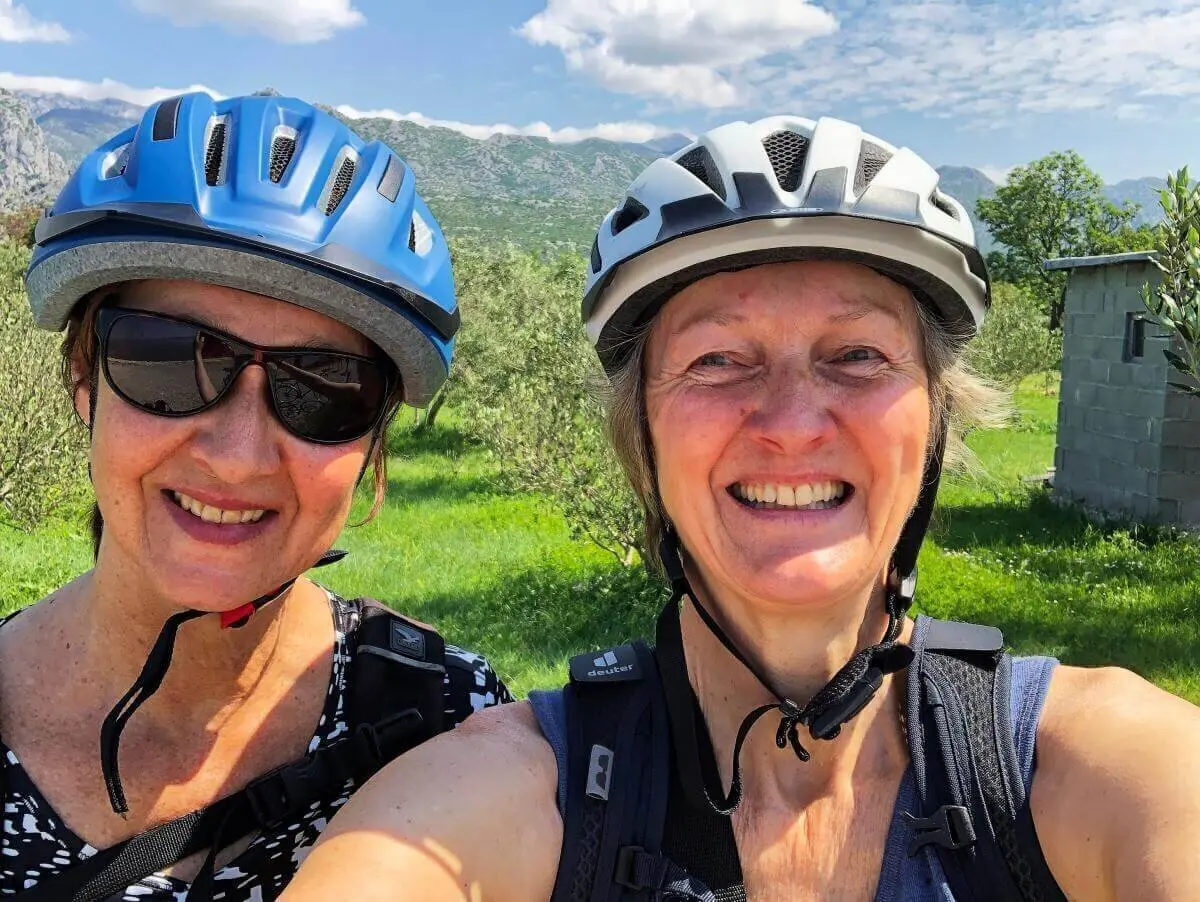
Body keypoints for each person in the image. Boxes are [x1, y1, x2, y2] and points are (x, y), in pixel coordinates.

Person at [280, 114, 1200, 902]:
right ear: (639, 439)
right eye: (719, 360)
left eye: (860, 356)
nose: (793, 425)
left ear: (933, 422)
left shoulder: (1090, 765)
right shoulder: (505, 793)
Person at [0, 92, 510, 901]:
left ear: (372, 443)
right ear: (80, 380)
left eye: (325, 388)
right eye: (169, 362)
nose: (238, 459)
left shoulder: (452, 721)